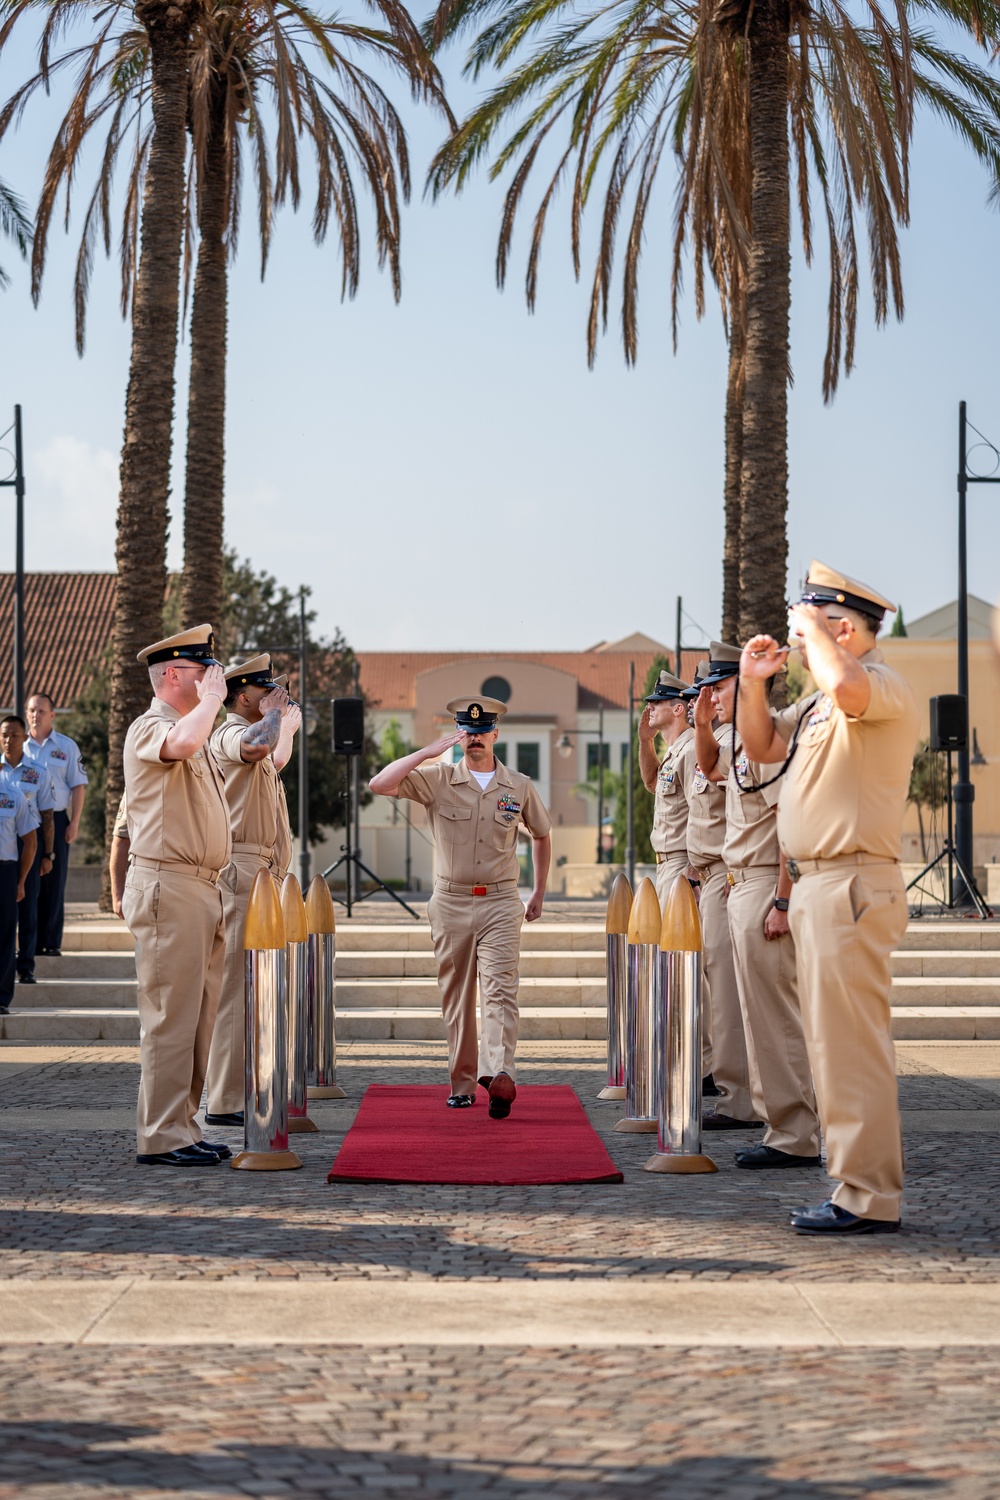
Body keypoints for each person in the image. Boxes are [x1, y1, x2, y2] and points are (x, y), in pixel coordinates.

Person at [737, 561, 919, 1234]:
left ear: (841, 626)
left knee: (852, 1049)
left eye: (808, 624)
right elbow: (760, 748)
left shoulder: (879, 686)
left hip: (852, 882)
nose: (796, 638)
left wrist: (812, 629)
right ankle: (852, 1186)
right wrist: (754, 686)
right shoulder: (814, 707)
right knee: (830, 1048)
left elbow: (844, 680)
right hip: (816, 884)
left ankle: (867, 1196)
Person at [369, 696, 552, 1117]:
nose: (474, 739)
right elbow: (380, 784)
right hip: (450, 902)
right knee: (458, 995)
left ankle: (501, 1074)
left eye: (481, 732)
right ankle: (464, 1083)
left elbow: (541, 834)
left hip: (502, 901)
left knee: (501, 989)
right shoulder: (437, 779)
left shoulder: (518, 786)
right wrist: (427, 753)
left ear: (495, 736)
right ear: (459, 737)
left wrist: (538, 891)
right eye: (467, 734)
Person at [695, 654, 820, 1168]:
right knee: (756, 1018)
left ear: (748, 687)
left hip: (766, 883)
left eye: (720, 689)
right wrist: (703, 723)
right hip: (740, 884)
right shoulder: (740, 744)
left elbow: (788, 821)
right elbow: (708, 767)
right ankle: (781, 1128)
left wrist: (783, 900)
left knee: (776, 1019)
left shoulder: (767, 744)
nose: (713, 697)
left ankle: (796, 1135)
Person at [122, 624, 233, 1168]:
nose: (214, 679)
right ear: (170, 675)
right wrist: (212, 700)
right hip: (169, 884)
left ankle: (183, 1124)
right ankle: (161, 1133)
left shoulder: (197, 730)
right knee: (170, 1016)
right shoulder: (151, 726)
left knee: (198, 1017)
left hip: (202, 888)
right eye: (202, 671)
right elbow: (183, 743)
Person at [204, 656, 300, 1128]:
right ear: (244, 696)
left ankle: (243, 1087)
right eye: (266, 692)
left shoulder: (261, 734)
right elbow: (255, 746)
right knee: (235, 988)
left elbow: (272, 756)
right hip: (240, 869)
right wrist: (276, 718)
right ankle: (223, 1099)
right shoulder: (229, 732)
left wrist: (286, 726)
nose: (274, 697)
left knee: (255, 987)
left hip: (263, 872)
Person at [684, 643, 756, 1129]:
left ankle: (741, 1101)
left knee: (733, 995)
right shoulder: (721, 739)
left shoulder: (749, 738)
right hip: (715, 874)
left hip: (737, 876)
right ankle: (738, 1097)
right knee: (723, 989)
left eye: (718, 686)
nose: (709, 697)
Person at [24, 692, 88, 958]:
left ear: (52, 715)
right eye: (31, 710)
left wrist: (74, 822)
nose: (35, 715)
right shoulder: (18, 749)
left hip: (58, 821)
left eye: (41, 711)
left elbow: (78, 786)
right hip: (26, 823)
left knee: (55, 881)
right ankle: (30, 943)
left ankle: (51, 942)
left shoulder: (66, 747)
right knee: (27, 883)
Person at [0, 715, 56, 985]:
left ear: (24, 738)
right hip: (4, 843)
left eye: (13, 735)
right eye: (4, 735)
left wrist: (48, 854)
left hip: (29, 843)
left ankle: (26, 965)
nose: (8, 740)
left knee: (28, 904)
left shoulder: (38, 772)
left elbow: (47, 815)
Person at [639, 672, 695, 908]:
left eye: (658, 702)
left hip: (683, 864)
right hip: (667, 864)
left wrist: (693, 873)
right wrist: (645, 741)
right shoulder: (675, 752)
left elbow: (702, 811)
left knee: (681, 943)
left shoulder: (691, 750)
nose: (650, 706)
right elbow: (652, 783)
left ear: (677, 710)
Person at [0, 774, 37, 1016]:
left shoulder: (13, 795)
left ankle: (1, 998)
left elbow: (30, 841)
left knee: (4, 935)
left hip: (6, 871)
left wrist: (21, 880)